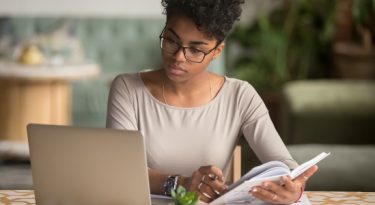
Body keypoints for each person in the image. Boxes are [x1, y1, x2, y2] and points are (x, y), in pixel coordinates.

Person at [106, 0, 318, 204]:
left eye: (196, 49)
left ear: (217, 52)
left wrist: (294, 187)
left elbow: (285, 165)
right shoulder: (127, 89)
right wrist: (181, 184)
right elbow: (118, 170)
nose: (179, 56)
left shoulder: (240, 95)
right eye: (171, 40)